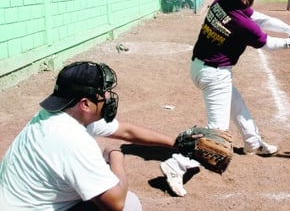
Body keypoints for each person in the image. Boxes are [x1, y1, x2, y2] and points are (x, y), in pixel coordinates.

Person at [160, 0, 290, 197]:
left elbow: (260, 18)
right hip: (215, 75)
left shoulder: (221, 1)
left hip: (199, 67)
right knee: (217, 134)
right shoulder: (242, 24)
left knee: (236, 104)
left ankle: (253, 143)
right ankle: (176, 165)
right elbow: (268, 44)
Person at [0, 61, 189, 210]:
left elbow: (126, 130)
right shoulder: (72, 139)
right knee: (129, 204)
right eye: (103, 93)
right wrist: (116, 156)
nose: (107, 97)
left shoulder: (57, 114)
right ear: (85, 104)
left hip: (17, 203)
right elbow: (115, 203)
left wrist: (177, 143)